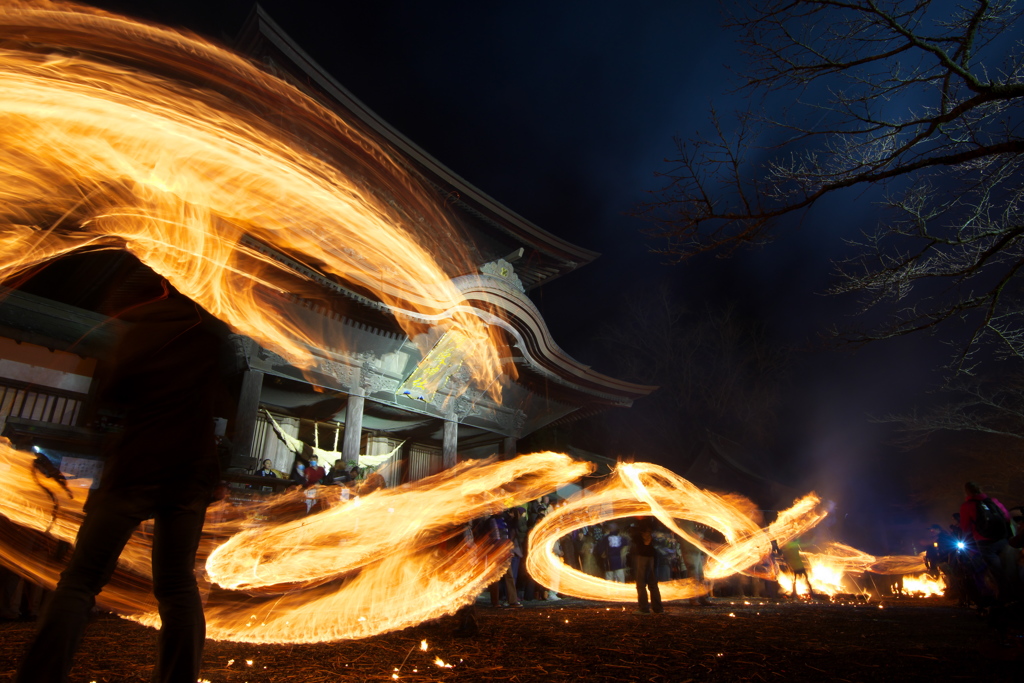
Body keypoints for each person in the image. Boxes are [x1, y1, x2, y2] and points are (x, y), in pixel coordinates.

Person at [17, 283, 228, 683]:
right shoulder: (207, 335)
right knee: (177, 584)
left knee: (81, 579)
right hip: (190, 473)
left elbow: (113, 391)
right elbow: (214, 404)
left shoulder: (141, 331)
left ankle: (40, 676)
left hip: (137, 466)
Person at [959, 481, 1014, 596]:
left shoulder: (968, 506)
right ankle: (1016, 593)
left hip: (984, 542)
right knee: (1010, 567)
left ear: (966, 492)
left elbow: (965, 527)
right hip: (1003, 539)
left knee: (996, 571)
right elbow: (1007, 517)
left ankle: (1004, 596)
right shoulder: (993, 501)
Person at [631, 519, 663, 613]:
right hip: (651, 555)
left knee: (641, 584)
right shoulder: (651, 522)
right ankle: (658, 608)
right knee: (652, 584)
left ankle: (644, 608)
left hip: (643, 555)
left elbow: (643, 539)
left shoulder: (642, 524)